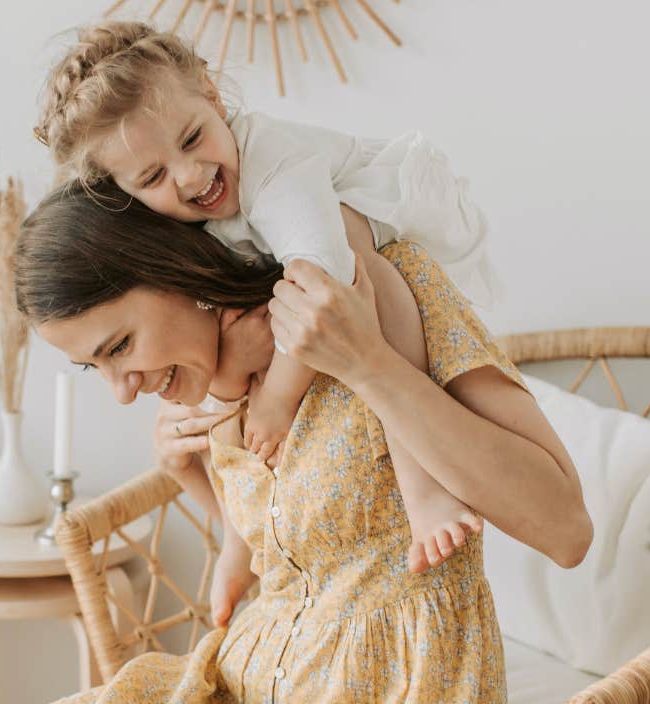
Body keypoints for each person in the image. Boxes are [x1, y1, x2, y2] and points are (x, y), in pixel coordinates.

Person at [0, 182, 591, 704]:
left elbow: (565, 527)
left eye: (120, 348)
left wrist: (369, 363)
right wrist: (191, 473)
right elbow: (299, 556)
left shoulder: (383, 288)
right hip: (237, 695)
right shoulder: (212, 382)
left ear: (177, 271)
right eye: (93, 367)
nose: (122, 391)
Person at [33, 20, 496, 574]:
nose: (190, 174)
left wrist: (277, 395)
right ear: (125, 195)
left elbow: (323, 277)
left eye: (192, 138)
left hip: (391, 218)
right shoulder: (183, 233)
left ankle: (424, 487)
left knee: (350, 274)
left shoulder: (272, 161)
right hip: (319, 262)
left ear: (211, 93)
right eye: (154, 175)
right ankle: (242, 543)